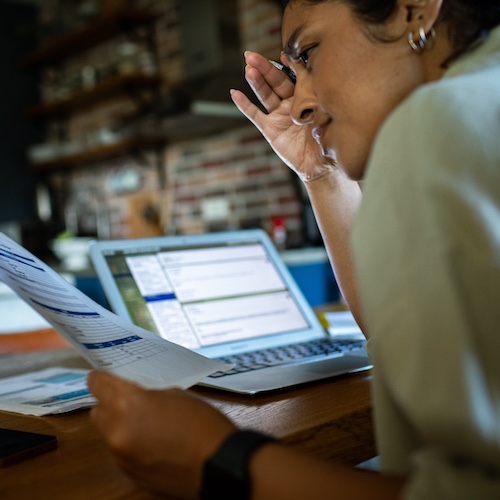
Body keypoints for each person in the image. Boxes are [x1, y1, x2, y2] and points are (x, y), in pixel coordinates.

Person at [87, 0, 500, 498]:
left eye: (309, 52)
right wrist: (321, 174)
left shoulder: (429, 127)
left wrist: (214, 458)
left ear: (414, 10)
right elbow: (401, 334)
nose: (301, 102)